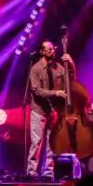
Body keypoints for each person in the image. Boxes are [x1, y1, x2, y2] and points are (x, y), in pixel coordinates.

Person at [24, 40, 74, 178]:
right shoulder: (35, 69)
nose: (53, 51)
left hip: (53, 112)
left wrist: (71, 64)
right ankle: (32, 172)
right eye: (49, 49)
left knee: (51, 143)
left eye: (53, 49)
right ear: (42, 52)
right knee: (37, 143)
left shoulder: (58, 67)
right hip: (39, 111)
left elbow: (70, 79)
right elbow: (37, 91)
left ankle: (48, 172)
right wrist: (56, 93)